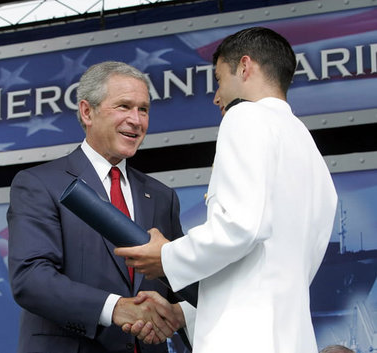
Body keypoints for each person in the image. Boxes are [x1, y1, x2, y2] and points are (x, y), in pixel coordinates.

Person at [115, 27, 338, 353]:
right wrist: (184, 313)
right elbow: (267, 271)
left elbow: (242, 226)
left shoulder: (245, 116)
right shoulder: (308, 149)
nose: (217, 96)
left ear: (245, 67)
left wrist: (166, 256)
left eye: (219, 80)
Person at [7, 61, 186, 353]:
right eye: (124, 106)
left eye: (143, 109)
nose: (136, 120)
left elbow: (179, 280)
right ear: (87, 112)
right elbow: (31, 278)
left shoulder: (162, 196)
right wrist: (115, 308)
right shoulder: (39, 184)